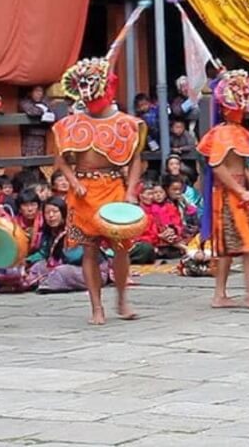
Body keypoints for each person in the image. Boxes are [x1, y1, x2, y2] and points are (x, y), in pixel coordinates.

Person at [53, 54, 146, 324]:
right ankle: (96, 307)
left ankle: (121, 299)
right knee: (89, 250)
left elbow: (135, 159)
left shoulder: (127, 124)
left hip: (114, 188)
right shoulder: (72, 124)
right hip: (84, 192)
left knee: (121, 248)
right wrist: (74, 182)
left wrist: (130, 192)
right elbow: (60, 161)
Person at [197, 69, 249, 310]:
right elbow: (217, 167)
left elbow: (246, 165)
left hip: (237, 193)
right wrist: (240, 192)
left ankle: (220, 295)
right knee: (248, 244)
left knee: (229, 249)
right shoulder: (222, 133)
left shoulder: (238, 133)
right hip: (229, 195)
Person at [19, 85, 55, 157]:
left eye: (40, 91)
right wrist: (44, 109)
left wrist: (45, 107)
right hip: (29, 134)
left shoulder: (45, 101)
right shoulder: (25, 101)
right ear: (30, 93)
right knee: (29, 157)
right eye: (36, 91)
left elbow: (52, 109)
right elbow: (32, 111)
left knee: (39, 156)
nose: (39, 94)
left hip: (41, 134)